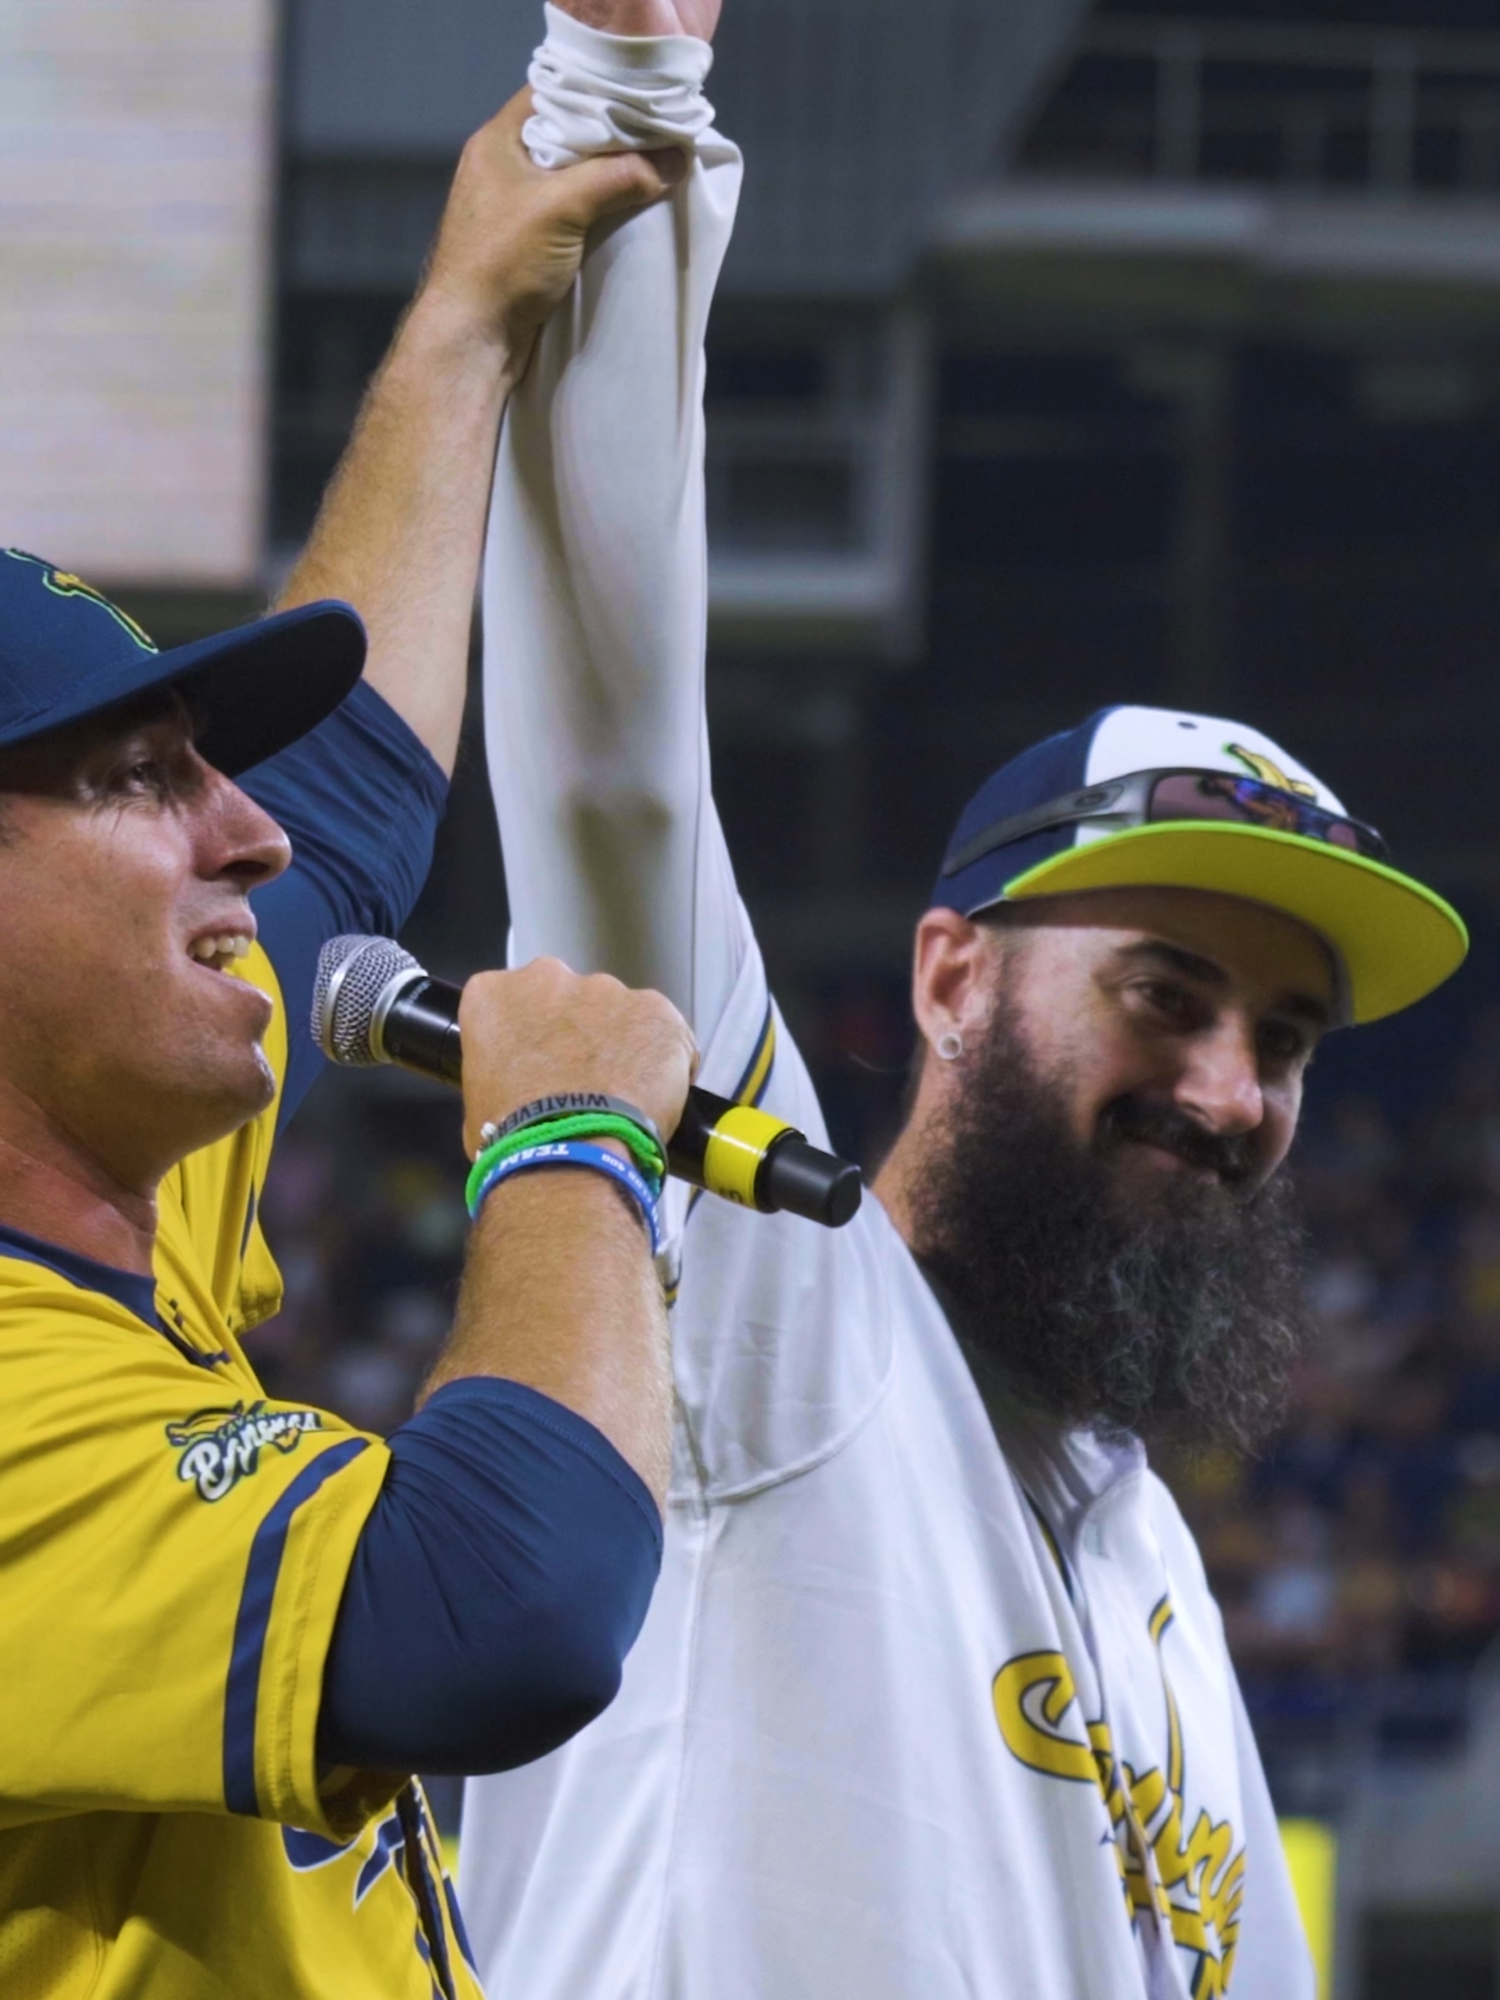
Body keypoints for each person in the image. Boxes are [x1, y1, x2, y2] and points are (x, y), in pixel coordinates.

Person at [458, 7, 1470, 1998]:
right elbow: (613, 772)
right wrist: (627, 94)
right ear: (950, 974)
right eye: (1168, 994)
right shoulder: (770, 1307)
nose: (1231, 1088)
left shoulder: (1147, 1552)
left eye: (1283, 1037)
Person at [0, 96, 697, 2000]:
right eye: (144, 779)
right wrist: (563, 1147)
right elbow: (502, 1614)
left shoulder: (97, 1164)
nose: (252, 834)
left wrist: (469, 310)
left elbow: (359, 790)